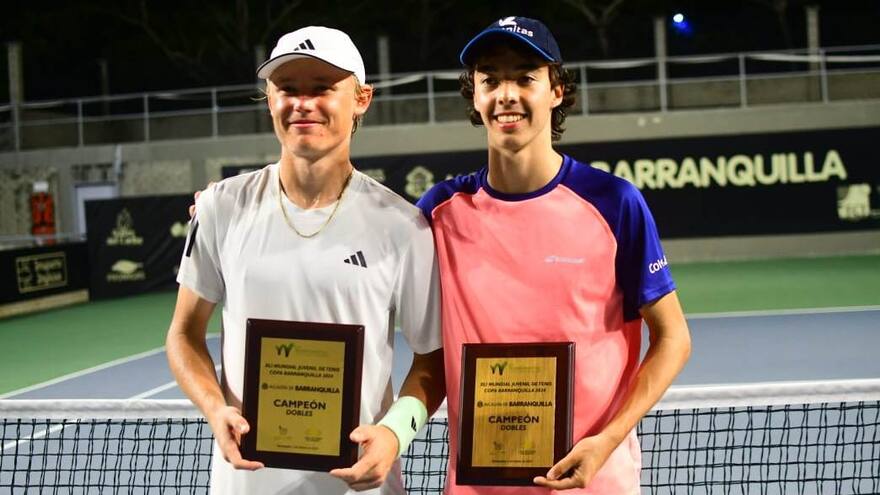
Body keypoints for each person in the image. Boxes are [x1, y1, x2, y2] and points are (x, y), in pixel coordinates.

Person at [416, 17, 692, 493]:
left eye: (525, 77)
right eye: (490, 79)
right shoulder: (438, 213)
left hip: (594, 482)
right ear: (475, 96)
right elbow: (423, 355)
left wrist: (606, 441)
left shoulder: (614, 202)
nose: (506, 93)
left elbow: (673, 338)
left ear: (556, 91)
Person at [167, 26, 445, 495]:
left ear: (361, 99)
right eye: (288, 89)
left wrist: (396, 433)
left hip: (360, 486)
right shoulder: (220, 207)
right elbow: (183, 334)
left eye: (322, 89)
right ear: (268, 99)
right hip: (245, 484)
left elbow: (432, 359)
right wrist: (216, 410)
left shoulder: (404, 227)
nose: (303, 103)